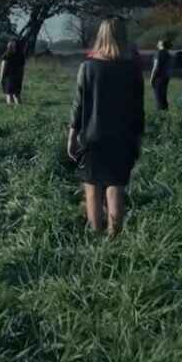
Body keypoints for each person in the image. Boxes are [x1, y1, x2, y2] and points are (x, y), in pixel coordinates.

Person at [67, 17, 144, 236]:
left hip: (93, 135)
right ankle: (114, 236)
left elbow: (78, 104)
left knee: (92, 187)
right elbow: (138, 109)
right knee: (116, 187)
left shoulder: (88, 67)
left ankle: (95, 233)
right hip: (123, 136)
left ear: (101, 35)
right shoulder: (132, 71)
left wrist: (72, 135)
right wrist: (137, 138)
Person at [0, 39, 26, 105]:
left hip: (8, 78)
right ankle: (20, 109)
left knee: (9, 95)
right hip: (18, 78)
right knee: (17, 95)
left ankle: (11, 110)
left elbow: (3, 68)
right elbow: (22, 69)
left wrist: (1, 78)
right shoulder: (21, 56)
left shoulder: (6, 55)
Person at [149, 39, 172, 111]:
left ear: (161, 45)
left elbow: (156, 66)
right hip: (166, 76)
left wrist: (152, 78)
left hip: (159, 77)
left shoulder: (158, 54)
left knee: (158, 96)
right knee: (164, 95)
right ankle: (165, 109)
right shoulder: (167, 53)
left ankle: (160, 110)